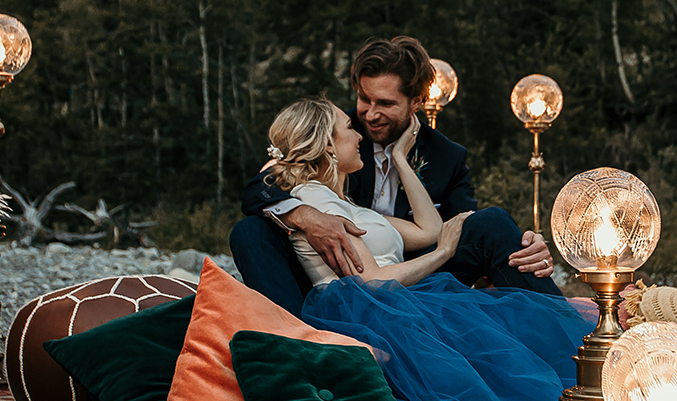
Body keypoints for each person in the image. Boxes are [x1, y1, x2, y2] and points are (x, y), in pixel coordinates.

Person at [259, 96, 594, 401]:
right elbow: (370, 280)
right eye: (349, 128)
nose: (358, 136)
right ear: (327, 146)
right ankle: (585, 370)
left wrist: (401, 159)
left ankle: (581, 363)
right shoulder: (315, 204)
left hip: (399, 299)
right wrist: (442, 255)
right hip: (373, 310)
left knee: (492, 276)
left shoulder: (346, 204)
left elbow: (430, 228)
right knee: (490, 380)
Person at [231, 35, 559, 317]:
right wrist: (307, 217)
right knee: (251, 229)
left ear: (416, 102)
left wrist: (525, 244)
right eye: (364, 99)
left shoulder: (446, 156)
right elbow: (261, 186)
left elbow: (460, 226)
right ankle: (293, 339)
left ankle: (576, 343)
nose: (370, 114)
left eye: (386, 103)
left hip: (421, 272)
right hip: (340, 289)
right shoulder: (334, 135)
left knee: (493, 224)